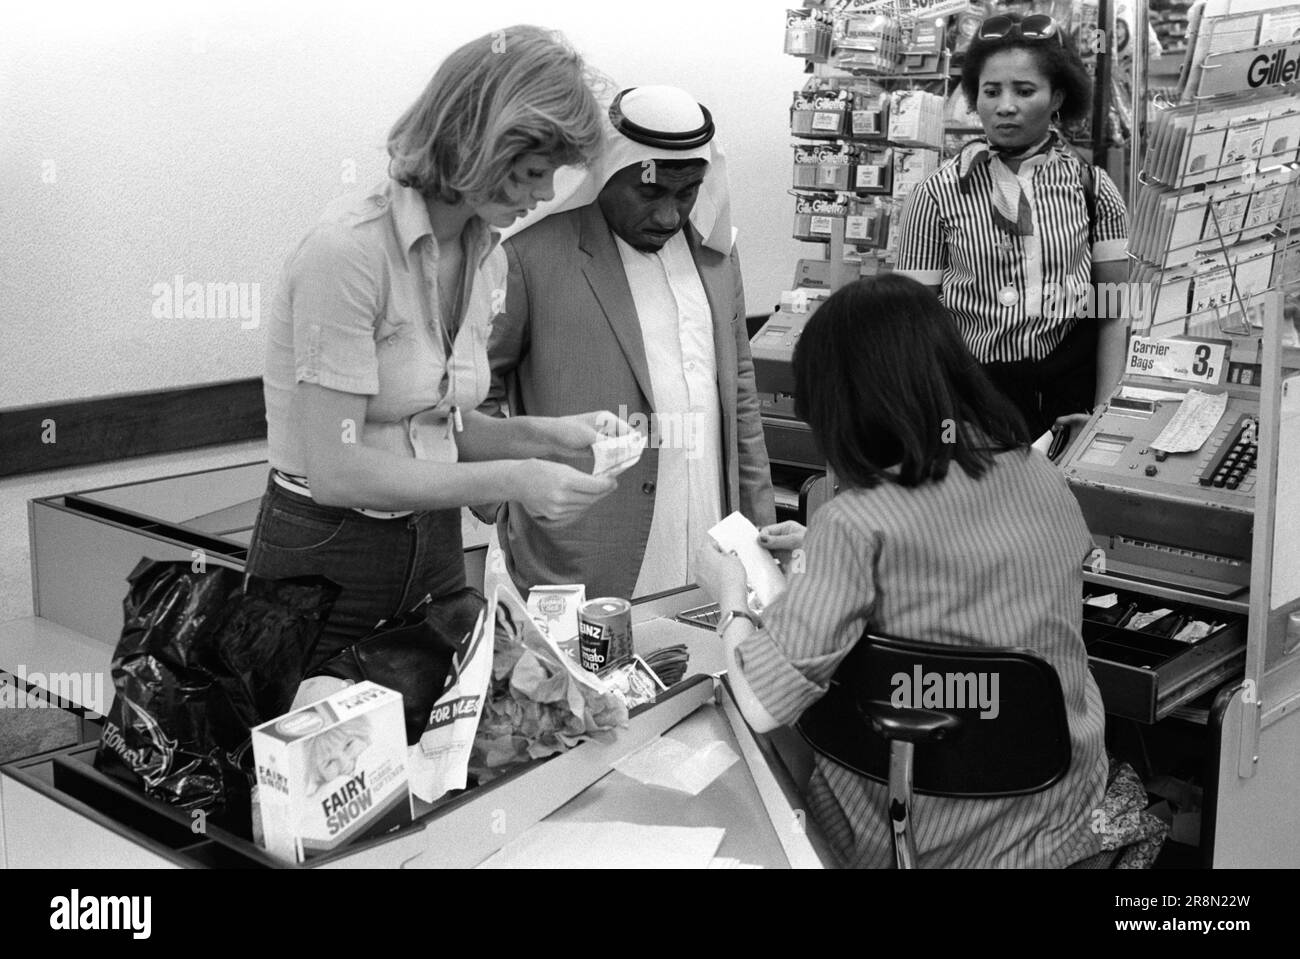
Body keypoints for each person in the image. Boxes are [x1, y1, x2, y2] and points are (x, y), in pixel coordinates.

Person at [247, 26, 627, 690]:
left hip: (433, 548)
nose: (541, 197)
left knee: (447, 760)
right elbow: (337, 467)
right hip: (327, 553)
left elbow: (436, 426)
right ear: (480, 142)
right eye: (534, 173)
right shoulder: (348, 253)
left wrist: (545, 436)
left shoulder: (485, 254)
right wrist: (515, 478)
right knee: (330, 771)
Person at [694, 274, 1108, 868]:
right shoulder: (1040, 474)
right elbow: (981, 575)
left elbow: (761, 703)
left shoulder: (857, 521)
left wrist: (732, 590)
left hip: (917, 835)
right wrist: (822, 556)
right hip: (1060, 826)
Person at [482, 85, 775, 600]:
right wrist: (504, 498)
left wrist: (757, 523)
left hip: (711, 531)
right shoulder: (532, 258)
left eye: (686, 193)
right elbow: (473, 392)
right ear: (606, 172)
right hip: (581, 552)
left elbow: (740, 395)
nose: (669, 215)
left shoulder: (716, 255)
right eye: (650, 191)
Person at [894, 12, 1130, 438]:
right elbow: (912, 324)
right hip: (972, 402)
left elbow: (1114, 313)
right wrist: (937, 422)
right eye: (991, 91)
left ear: (1057, 97)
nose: (1005, 105)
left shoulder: (1093, 188)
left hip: (1067, 404)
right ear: (974, 97)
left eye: (1024, 91)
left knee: (1064, 505)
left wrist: (1102, 417)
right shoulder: (937, 193)